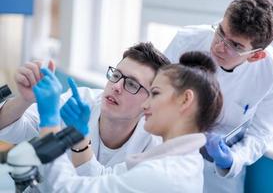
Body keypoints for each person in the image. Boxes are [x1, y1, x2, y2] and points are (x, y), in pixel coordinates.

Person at [34, 51, 223, 192]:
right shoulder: (179, 159)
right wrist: (80, 136)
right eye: (116, 76)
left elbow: (66, 189)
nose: (145, 104)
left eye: (155, 94)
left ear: (185, 100)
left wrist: (49, 121)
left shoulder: (163, 175)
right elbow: (104, 178)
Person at [164, 0, 273, 192]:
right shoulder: (186, 40)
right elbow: (153, 96)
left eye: (235, 45)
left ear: (256, 56)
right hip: (169, 149)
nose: (219, 47)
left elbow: (261, 132)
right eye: (221, 32)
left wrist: (232, 159)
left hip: (217, 173)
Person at [0, 42, 170, 170]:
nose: (116, 86)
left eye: (132, 84)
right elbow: (9, 129)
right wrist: (25, 99)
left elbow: (104, 187)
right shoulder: (80, 100)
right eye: (116, 75)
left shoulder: (153, 143)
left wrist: (79, 138)